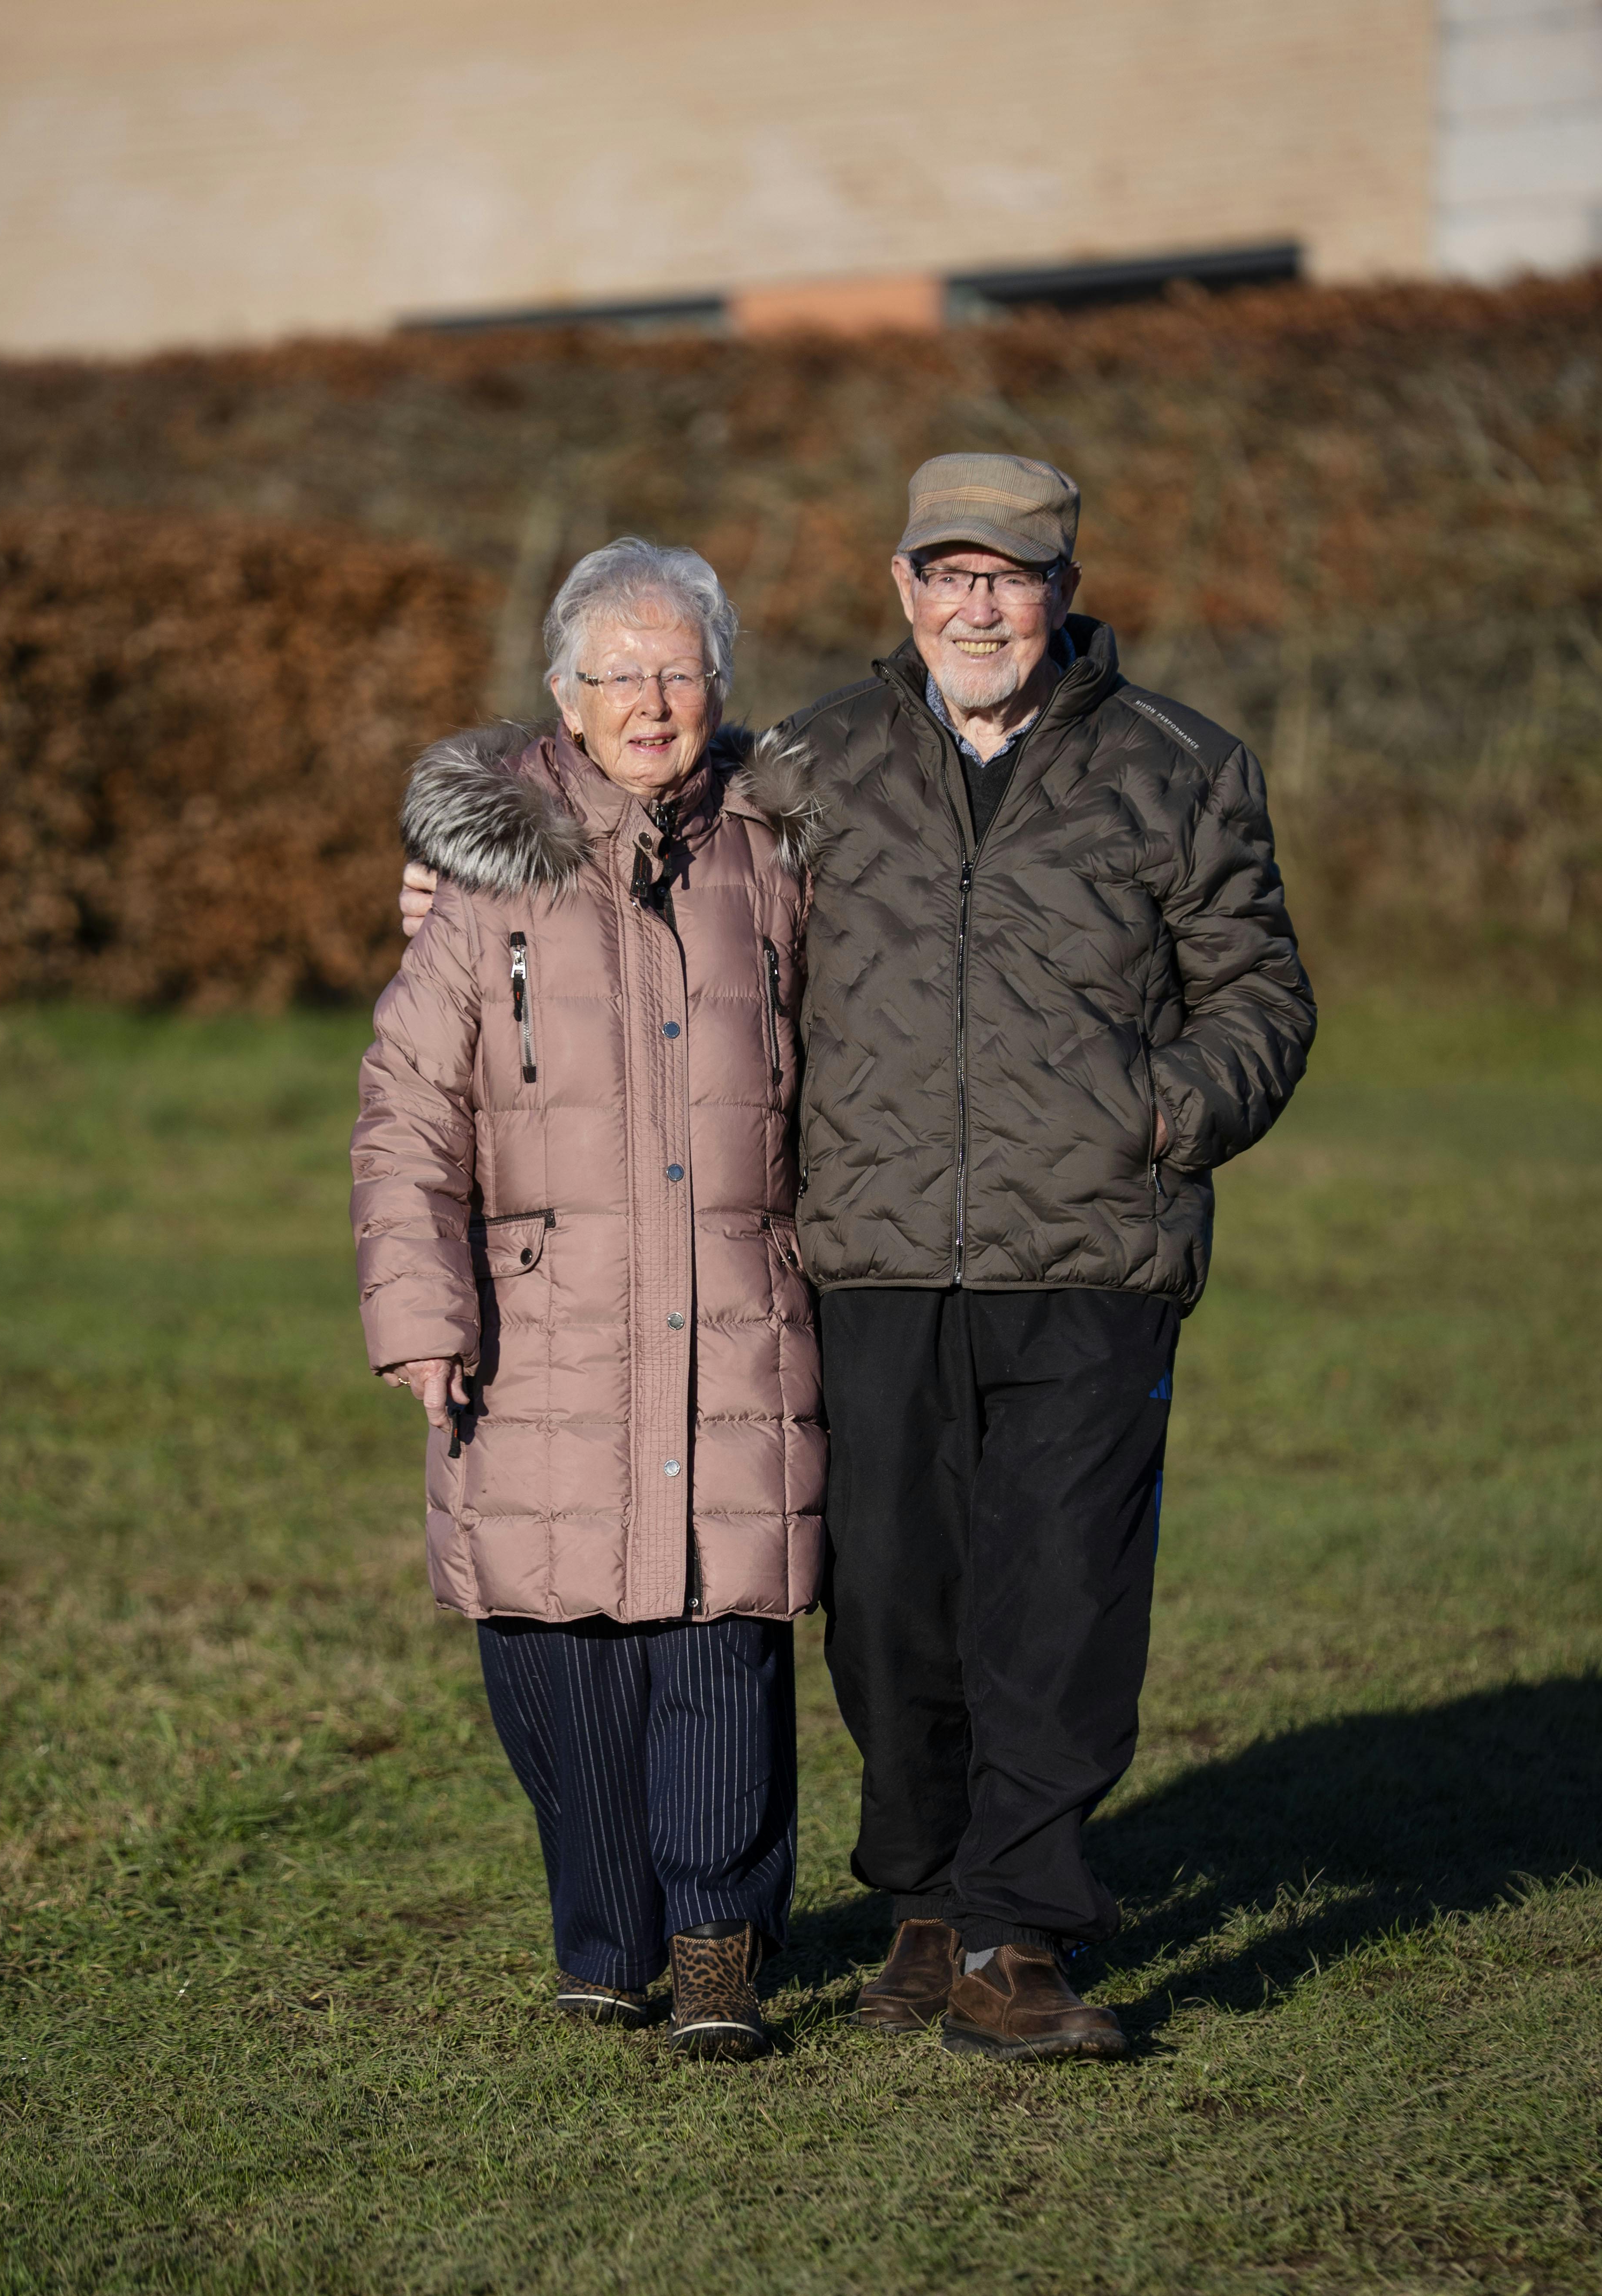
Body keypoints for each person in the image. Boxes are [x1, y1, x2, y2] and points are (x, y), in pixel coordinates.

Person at [401, 454, 1315, 2066]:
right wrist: (459, 862)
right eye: (949, 574)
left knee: (1062, 1598)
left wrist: (1162, 1117)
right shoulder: (817, 762)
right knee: (889, 1609)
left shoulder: (1182, 766)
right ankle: (922, 1903)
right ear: (904, 587)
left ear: (1062, 587)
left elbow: (1262, 992)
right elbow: (626, 797)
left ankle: (1019, 1930)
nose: (979, 606)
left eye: (1009, 576)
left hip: (1092, 1255)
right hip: (872, 1254)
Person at [357, 536, 825, 2062]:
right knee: (556, 1651)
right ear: (563, 697)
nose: (651, 701)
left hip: (739, 1318)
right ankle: (610, 1937)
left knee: (720, 1640)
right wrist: (419, 1312)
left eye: (679, 670)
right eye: (618, 674)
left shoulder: (783, 856)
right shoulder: (485, 875)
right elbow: (408, 1112)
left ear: (720, 687)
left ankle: (717, 1950)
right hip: (538, 1330)